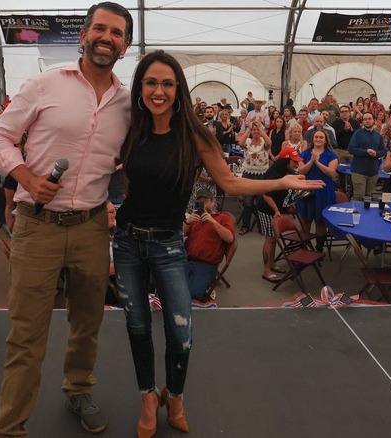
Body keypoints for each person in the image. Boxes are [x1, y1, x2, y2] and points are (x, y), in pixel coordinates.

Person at [113, 50, 324, 438]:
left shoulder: (194, 136)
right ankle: (148, 398)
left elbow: (230, 183)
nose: (158, 91)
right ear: (140, 88)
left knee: (181, 330)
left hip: (169, 244)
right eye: (150, 82)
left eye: (166, 83)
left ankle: (174, 396)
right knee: (137, 327)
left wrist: (280, 181)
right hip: (126, 244)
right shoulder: (130, 128)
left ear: (179, 90)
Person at [0, 3, 133, 436]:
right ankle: (10, 427)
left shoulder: (128, 102)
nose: (108, 38)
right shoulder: (44, 84)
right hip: (37, 225)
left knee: (88, 324)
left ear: (125, 45)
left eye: (117, 33)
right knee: (26, 336)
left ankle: (78, 389)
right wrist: (26, 174)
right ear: (84, 35)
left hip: (91, 227)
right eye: (100, 29)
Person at [255, 148, 303, 282]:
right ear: (286, 161)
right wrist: (276, 211)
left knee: (274, 238)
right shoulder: (275, 174)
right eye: (294, 161)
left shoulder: (285, 171)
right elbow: (266, 194)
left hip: (276, 210)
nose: (296, 164)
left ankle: (272, 264)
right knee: (269, 239)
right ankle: (266, 270)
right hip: (267, 209)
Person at [182, 189, 234, 301]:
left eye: (205, 202)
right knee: (171, 289)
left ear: (213, 202)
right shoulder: (194, 218)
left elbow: (230, 238)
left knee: (193, 294)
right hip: (187, 260)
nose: (203, 205)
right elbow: (180, 235)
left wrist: (213, 222)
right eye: (199, 203)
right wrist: (187, 222)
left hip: (207, 264)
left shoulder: (223, 217)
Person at [295, 129, 338, 251]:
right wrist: (311, 161)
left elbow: (331, 173)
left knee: (320, 221)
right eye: (316, 137)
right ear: (312, 139)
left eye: (321, 137)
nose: (318, 139)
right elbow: (301, 171)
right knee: (305, 220)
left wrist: (317, 162)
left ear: (325, 140)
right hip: (307, 190)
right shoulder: (304, 153)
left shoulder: (331, 154)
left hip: (324, 191)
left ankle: (319, 248)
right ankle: (304, 247)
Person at [236, 118, 271, 235]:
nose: (256, 132)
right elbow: (240, 143)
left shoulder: (263, 142)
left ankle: (262, 226)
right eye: (254, 130)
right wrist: (248, 129)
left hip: (262, 174)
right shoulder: (248, 142)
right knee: (248, 202)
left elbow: (269, 143)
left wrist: (261, 130)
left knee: (261, 202)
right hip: (248, 173)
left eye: (258, 130)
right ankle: (245, 225)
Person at [348, 112, 386, 201]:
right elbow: (351, 149)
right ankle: (353, 214)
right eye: (365, 119)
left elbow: (383, 151)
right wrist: (366, 152)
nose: (367, 121)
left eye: (369, 119)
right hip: (359, 171)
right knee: (359, 196)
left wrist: (376, 154)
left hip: (373, 172)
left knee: (368, 197)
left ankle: (365, 215)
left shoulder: (378, 135)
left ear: (374, 120)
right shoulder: (357, 133)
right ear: (362, 122)